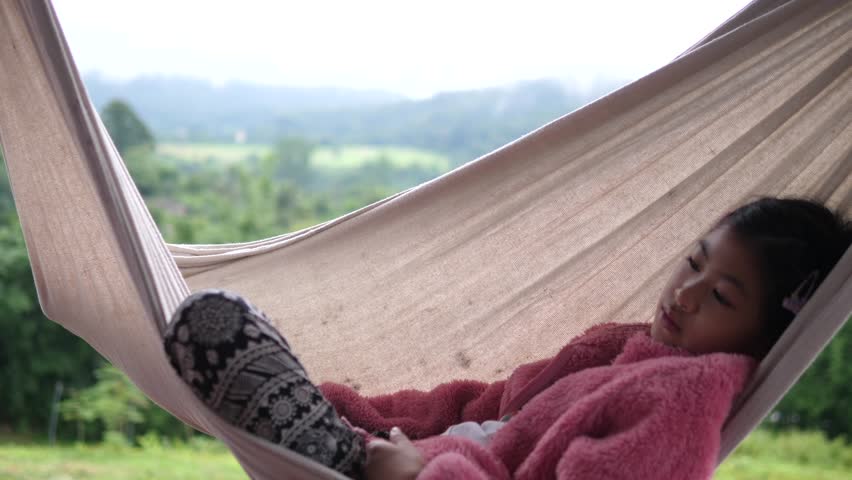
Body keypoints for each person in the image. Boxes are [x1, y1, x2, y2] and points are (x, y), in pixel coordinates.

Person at [164, 196, 851, 480]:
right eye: (694, 262)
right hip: (406, 456)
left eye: (722, 296)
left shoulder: (682, 405)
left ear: (763, 336)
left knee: (213, 331)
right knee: (222, 331)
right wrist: (380, 416)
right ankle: (316, 422)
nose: (687, 293)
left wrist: (418, 473)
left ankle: (314, 435)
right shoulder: (624, 349)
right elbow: (491, 404)